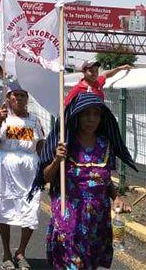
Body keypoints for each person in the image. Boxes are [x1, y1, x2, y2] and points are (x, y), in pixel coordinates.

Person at [31, 93, 137, 269]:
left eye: (96, 114)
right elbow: (46, 177)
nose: (91, 119)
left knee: (90, 262)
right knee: (73, 263)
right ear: (77, 116)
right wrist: (57, 160)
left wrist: (116, 197)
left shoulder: (105, 144)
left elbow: (103, 179)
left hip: (97, 216)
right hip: (70, 212)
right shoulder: (65, 143)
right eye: (86, 114)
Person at [0, 81, 45, 270]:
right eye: (15, 95)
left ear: (27, 99)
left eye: (22, 95)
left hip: (29, 171)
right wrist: (0, 122)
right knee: (5, 210)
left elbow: (41, 145)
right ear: (8, 98)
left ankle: (21, 252)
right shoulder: (0, 118)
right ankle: (6, 253)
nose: (19, 98)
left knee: (30, 209)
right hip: (4, 172)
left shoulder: (35, 121)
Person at [63, 60, 131, 106]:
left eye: (96, 70)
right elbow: (65, 105)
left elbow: (106, 74)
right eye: (91, 71)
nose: (95, 73)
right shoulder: (77, 89)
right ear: (83, 72)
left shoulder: (98, 82)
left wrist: (120, 68)